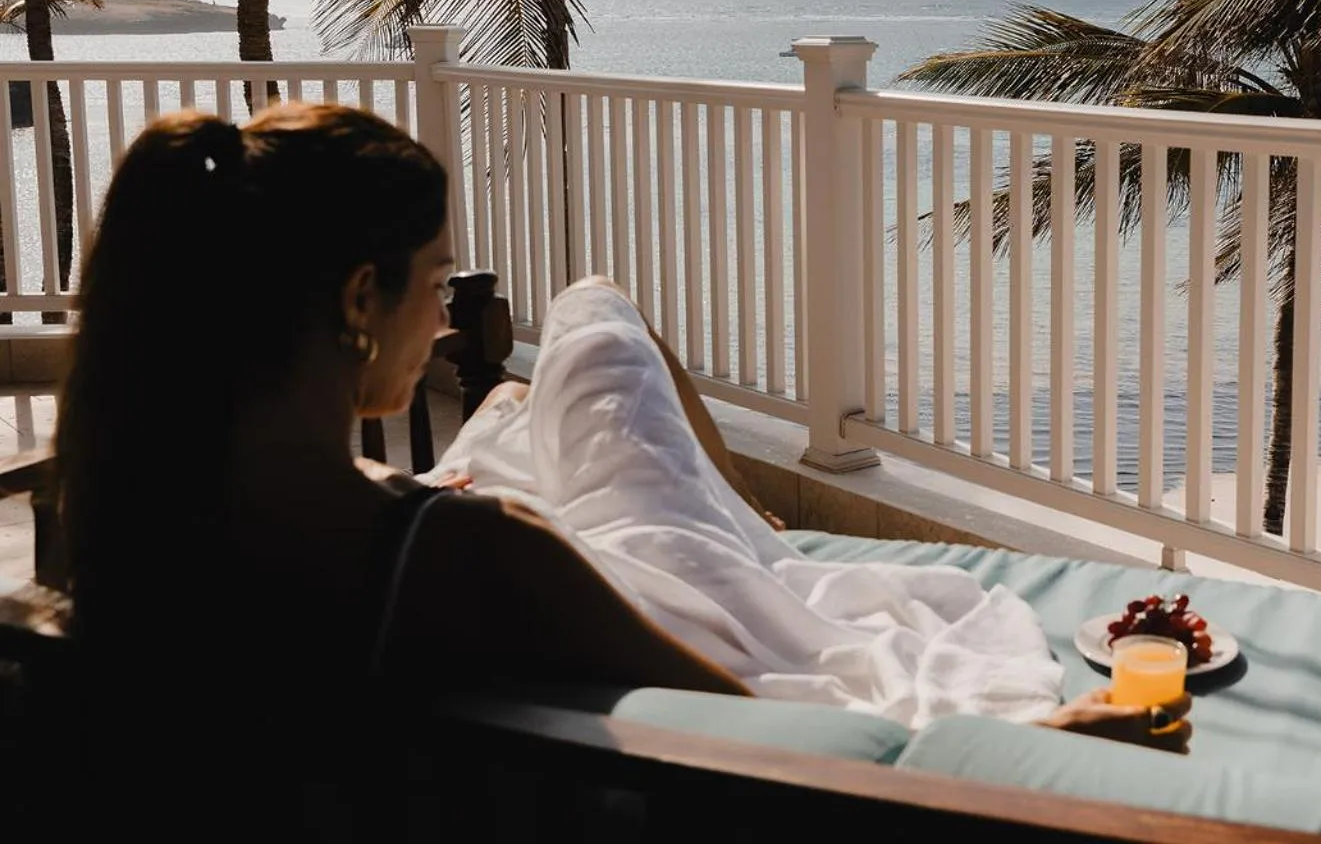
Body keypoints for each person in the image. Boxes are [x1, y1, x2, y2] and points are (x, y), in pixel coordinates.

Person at [50, 104, 1189, 823]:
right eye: (438, 281)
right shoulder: (464, 554)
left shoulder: (120, 517)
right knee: (588, 321)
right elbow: (764, 751)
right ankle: (757, 535)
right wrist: (1036, 744)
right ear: (360, 296)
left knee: (510, 405)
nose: (445, 315)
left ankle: (744, 533)